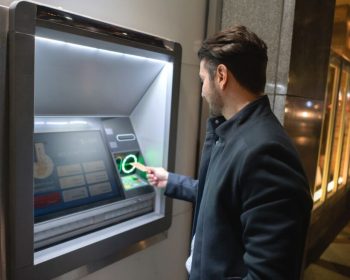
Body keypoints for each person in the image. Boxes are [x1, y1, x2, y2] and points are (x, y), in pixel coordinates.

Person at [147, 25, 313, 280]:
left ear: (221, 76)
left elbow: (268, 274)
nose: (202, 91)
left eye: (203, 80)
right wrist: (170, 181)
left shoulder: (265, 152)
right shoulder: (237, 133)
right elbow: (226, 195)